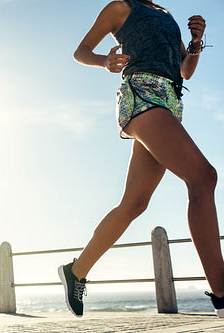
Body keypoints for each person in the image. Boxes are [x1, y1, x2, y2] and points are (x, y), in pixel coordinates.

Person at [57, 0, 224, 318]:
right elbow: (81, 51)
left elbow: (185, 71)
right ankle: (222, 293)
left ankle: (76, 271)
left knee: (134, 204)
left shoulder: (165, 15)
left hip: (171, 103)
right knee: (203, 177)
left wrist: (195, 43)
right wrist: (104, 60)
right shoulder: (121, 8)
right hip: (142, 94)